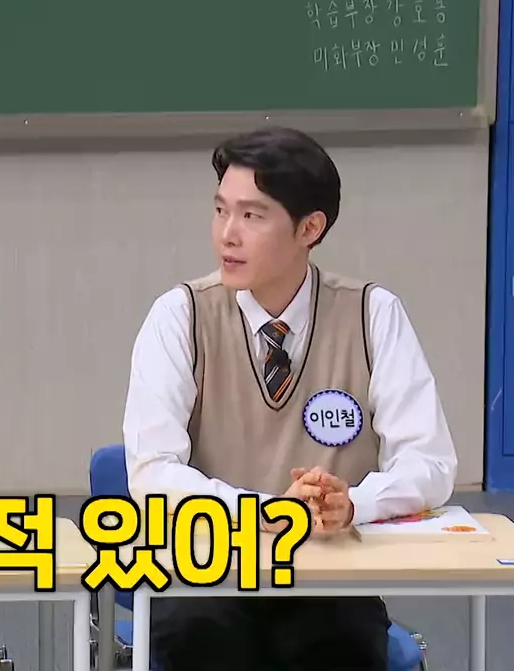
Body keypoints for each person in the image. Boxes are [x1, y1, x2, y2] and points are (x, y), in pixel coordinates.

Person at [121, 126, 458, 671]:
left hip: (330, 577)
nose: (227, 235)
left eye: (252, 216)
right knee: (200, 634)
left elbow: (431, 462)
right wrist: (268, 513)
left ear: (310, 228)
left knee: (336, 642)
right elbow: (151, 471)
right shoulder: (180, 315)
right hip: (209, 573)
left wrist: (355, 504)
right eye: (220, 211)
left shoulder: (373, 315)